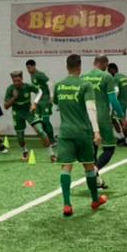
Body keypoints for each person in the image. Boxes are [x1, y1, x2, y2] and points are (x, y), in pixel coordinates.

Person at [52, 53, 106, 216]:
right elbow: (91, 108)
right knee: (89, 166)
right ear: (80, 67)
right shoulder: (85, 85)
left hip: (65, 132)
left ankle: (67, 205)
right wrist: (96, 131)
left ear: (66, 67)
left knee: (66, 167)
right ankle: (95, 200)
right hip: (83, 132)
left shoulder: (59, 85)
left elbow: (56, 102)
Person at [82, 55, 122, 187]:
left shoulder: (83, 77)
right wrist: (121, 116)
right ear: (104, 63)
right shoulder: (107, 77)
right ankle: (94, 170)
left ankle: (96, 180)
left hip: (87, 118)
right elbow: (113, 99)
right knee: (109, 148)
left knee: (92, 149)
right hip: (102, 117)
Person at [4, 70, 46, 161]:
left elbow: (40, 91)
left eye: (18, 80)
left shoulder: (27, 86)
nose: (16, 83)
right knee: (20, 138)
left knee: (40, 131)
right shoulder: (10, 89)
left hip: (29, 112)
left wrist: (35, 103)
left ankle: (51, 154)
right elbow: (6, 106)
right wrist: (14, 97)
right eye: (14, 81)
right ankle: (24, 151)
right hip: (17, 114)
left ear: (22, 79)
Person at [25, 59, 57, 160]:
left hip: (45, 100)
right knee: (40, 121)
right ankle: (47, 139)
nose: (28, 70)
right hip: (39, 101)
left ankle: (52, 140)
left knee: (46, 120)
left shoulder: (40, 74)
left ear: (34, 66)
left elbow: (51, 83)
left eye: (30, 68)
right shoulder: (32, 76)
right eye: (27, 68)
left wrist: (51, 96)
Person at [107, 61, 127, 145]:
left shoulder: (115, 79)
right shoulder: (125, 77)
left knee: (122, 121)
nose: (109, 73)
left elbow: (116, 92)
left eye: (109, 71)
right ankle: (121, 137)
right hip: (124, 102)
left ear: (112, 70)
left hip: (118, 104)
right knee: (113, 119)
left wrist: (112, 103)